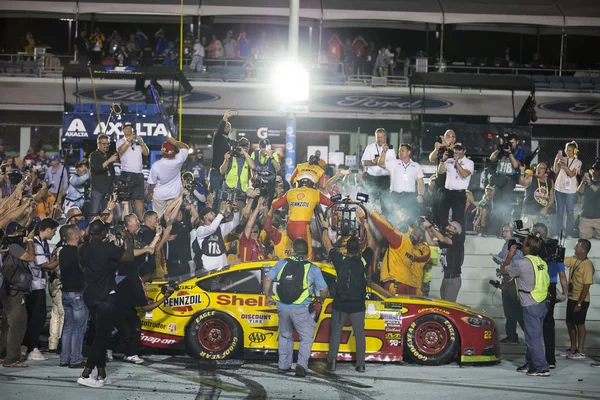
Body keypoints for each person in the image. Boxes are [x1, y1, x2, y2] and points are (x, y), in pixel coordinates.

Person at [77, 220, 133, 388]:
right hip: (105, 296)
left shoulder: (82, 248)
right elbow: (129, 257)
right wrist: (127, 239)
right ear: (102, 234)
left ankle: (101, 373)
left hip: (89, 294)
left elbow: (83, 268)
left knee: (99, 334)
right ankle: (86, 373)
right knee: (102, 336)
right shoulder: (108, 248)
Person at [263, 239, 328, 378]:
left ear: (292, 250)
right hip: (301, 308)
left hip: (282, 307)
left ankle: (283, 366)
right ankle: (301, 366)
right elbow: (324, 289)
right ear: (307, 252)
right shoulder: (313, 268)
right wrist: (322, 299)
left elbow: (268, 279)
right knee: (306, 337)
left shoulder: (282, 263)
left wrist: (268, 296)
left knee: (285, 334)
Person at [321, 218, 374, 373]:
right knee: (359, 334)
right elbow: (371, 245)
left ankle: (332, 363)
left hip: (341, 304)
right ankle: (361, 364)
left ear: (346, 248)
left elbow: (327, 244)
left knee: (336, 333)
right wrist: (367, 228)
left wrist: (325, 228)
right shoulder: (363, 260)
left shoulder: (340, 260)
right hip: (357, 304)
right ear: (358, 249)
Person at [501, 234, 550, 377]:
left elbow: (505, 270)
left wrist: (510, 254)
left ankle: (541, 367)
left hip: (530, 303)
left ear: (528, 247)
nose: (521, 245)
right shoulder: (541, 261)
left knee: (533, 338)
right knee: (532, 335)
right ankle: (530, 363)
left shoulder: (521, 263)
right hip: (541, 302)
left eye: (524, 243)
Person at [114, 262, 175, 364]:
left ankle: (115, 350)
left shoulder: (134, 279)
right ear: (148, 274)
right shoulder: (137, 286)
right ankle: (129, 354)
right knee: (129, 330)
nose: (155, 277)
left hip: (122, 307)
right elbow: (147, 308)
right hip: (119, 309)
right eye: (154, 274)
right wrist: (165, 298)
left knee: (131, 328)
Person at [532, 223, 568, 368]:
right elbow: (563, 277)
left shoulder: (536, 251)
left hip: (538, 288)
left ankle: (536, 358)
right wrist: (564, 293)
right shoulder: (556, 252)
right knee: (549, 324)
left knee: (534, 324)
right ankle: (550, 359)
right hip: (552, 289)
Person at [271, 176, 332, 260]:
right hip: (302, 227)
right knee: (308, 255)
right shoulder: (315, 193)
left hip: (290, 227)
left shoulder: (290, 192)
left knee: (293, 252)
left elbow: (274, 204)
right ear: (312, 184)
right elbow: (332, 203)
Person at [0, 223, 35, 368]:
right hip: (14, 292)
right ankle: (11, 358)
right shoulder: (14, 247)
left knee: (8, 324)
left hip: (10, 291)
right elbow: (30, 257)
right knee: (17, 325)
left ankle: (4, 354)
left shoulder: (11, 247)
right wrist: (30, 241)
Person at [24, 218, 59, 361]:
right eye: (54, 231)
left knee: (36, 317)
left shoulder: (42, 243)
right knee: (37, 318)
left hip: (39, 284)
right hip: (35, 285)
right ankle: (32, 347)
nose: (54, 234)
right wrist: (60, 260)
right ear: (48, 230)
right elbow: (45, 266)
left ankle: (28, 345)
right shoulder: (36, 245)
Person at [371, 211, 431, 295]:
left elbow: (415, 256)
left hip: (413, 286)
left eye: (415, 233)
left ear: (421, 237)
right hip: (405, 283)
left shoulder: (424, 248)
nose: (412, 234)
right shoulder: (407, 241)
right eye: (413, 232)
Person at [58, 224, 88, 368]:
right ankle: (75, 359)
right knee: (78, 327)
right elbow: (84, 270)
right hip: (77, 292)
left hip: (66, 292)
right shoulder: (78, 252)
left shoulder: (62, 251)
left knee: (68, 326)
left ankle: (64, 358)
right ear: (75, 236)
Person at [559, 239, 594, 360]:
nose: (575, 248)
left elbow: (586, 286)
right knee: (569, 322)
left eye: (577, 246)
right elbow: (561, 262)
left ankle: (581, 350)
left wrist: (579, 303)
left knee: (580, 324)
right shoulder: (573, 259)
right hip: (571, 297)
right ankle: (572, 348)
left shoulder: (587, 265)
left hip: (581, 300)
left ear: (583, 249)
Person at [378, 143, 425, 221]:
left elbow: (421, 183)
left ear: (409, 152)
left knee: (411, 221)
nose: (400, 152)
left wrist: (421, 195)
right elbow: (380, 164)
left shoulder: (416, 166)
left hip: (410, 197)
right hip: (396, 196)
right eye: (399, 151)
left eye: (402, 151)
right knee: (394, 221)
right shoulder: (394, 163)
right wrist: (384, 152)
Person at [496, 225, 525, 344]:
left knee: (516, 310)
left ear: (513, 232)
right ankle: (511, 335)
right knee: (508, 310)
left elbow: (516, 262)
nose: (504, 233)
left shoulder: (517, 245)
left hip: (514, 278)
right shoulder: (506, 244)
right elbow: (501, 256)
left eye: (506, 231)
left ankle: (528, 333)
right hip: (506, 276)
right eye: (503, 231)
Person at [423, 220, 464, 302]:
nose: (446, 227)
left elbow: (442, 239)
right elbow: (430, 242)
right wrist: (426, 229)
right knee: (445, 303)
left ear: (455, 230)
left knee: (448, 306)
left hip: (453, 279)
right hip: (446, 277)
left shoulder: (457, 240)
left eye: (449, 226)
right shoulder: (448, 241)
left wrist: (431, 226)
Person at [147, 136, 189, 216]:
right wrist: (174, 142)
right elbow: (186, 147)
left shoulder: (156, 165)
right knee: (172, 219)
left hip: (160, 196)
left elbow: (152, 184)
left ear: (163, 151)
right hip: (174, 195)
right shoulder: (178, 160)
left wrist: (150, 193)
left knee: (158, 219)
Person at [116, 121, 149, 221]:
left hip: (138, 174)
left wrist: (142, 143)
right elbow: (120, 150)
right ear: (123, 130)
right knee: (127, 200)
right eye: (126, 128)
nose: (129, 130)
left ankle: (141, 221)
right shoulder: (120, 141)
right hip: (126, 173)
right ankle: (128, 221)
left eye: (130, 128)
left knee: (139, 199)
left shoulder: (138, 141)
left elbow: (146, 153)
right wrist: (128, 140)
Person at [437, 142, 473, 230]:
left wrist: (457, 163)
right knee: (442, 215)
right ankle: (443, 236)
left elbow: (464, 174)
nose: (456, 151)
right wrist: (443, 160)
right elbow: (440, 171)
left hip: (459, 194)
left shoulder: (469, 162)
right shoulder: (449, 161)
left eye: (459, 149)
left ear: (464, 151)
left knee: (458, 218)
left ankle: (458, 240)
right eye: (455, 149)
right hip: (447, 192)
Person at [195, 201, 240, 271]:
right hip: (208, 265)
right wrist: (221, 212)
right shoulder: (200, 230)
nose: (214, 214)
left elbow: (235, 223)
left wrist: (236, 210)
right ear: (205, 216)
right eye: (211, 213)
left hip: (222, 263)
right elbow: (211, 229)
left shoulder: (220, 228)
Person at [489, 133, 525, 222]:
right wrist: (499, 149)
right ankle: (495, 227)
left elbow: (516, 165)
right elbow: (492, 158)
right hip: (499, 179)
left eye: (512, 143)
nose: (510, 145)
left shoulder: (519, 151)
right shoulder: (503, 149)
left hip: (510, 180)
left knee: (505, 203)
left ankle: (505, 226)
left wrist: (509, 152)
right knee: (496, 203)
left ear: (517, 142)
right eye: (509, 142)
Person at [361, 128, 395, 216]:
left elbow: (392, 165)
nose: (379, 139)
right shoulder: (370, 147)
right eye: (377, 137)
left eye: (381, 137)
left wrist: (382, 162)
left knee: (385, 202)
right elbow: (363, 162)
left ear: (385, 137)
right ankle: (369, 221)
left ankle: (386, 222)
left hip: (384, 179)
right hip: (372, 178)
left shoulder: (391, 149)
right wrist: (373, 162)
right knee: (370, 202)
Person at [428, 130, 457, 226]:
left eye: (453, 136)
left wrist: (450, 150)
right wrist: (436, 149)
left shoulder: (457, 150)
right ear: (444, 138)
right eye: (448, 136)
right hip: (439, 182)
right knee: (436, 208)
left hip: (451, 185)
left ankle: (446, 230)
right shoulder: (441, 149)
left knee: (445, 212)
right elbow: (431, 159)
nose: (450, 138)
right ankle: (438, 228)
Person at [553, 141, 581, 238]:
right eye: (567, 150)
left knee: (569, 212)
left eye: (570, 150)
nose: (568, 152)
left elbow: (571, 174)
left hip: (570, 191)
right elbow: (555, 170)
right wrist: (556, 160)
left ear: (575, 151)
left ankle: (569, 233)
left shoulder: (578, 162)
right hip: (559, 189)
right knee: (559, 211)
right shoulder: (563, 159)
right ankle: (558, 232)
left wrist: (564, 166)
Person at [520, 162, 554, 231]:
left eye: (541, 168)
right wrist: (522, 173)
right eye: (537, 168)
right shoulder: (531, 177)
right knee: (524, 234)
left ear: (546, 171)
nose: (538, 169)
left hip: (541, 214)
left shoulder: (550, 181)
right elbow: (522, 183)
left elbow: (552, 199)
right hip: (528, 212)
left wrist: (546, 208)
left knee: (540, 237)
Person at [89, 134, 118, 216]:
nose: (106, 146)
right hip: (98, 189)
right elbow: (97, 168)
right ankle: (91, 228)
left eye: (108, 143)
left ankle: (105, 228)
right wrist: (109, 161)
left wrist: (114, 186)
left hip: (108, 190)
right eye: (104, 144)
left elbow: (112, 173)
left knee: (107, 213)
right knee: (94, 213)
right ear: (98, 144)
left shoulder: (109, 155)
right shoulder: (94, 155)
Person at [210, 110, 235, 193]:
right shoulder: (218, 138)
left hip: (225, 174)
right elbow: (220, 129)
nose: (227, 127)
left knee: (223, 198)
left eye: (228, 127)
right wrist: (225, 118)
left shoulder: (229, 142)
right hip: (216, 173)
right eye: (225, 126)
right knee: (215, 197)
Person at [577, 160, 600, 240]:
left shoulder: (591, 183)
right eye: (593, 169)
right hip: (586, 217)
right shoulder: (587, 182)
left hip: (598, 218)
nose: (594, 171)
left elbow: (597, 192)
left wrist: (589, 183)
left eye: (596, 170)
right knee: (584, 239)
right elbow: (579, 192)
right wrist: (582, 183)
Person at [239, 198, 267, 262]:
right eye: (252, 231)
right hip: (247, 270)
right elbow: (249, 226)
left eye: (255, 232)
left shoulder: (262, 246)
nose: (254, 233)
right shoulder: (245, 241)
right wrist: (257, 208)